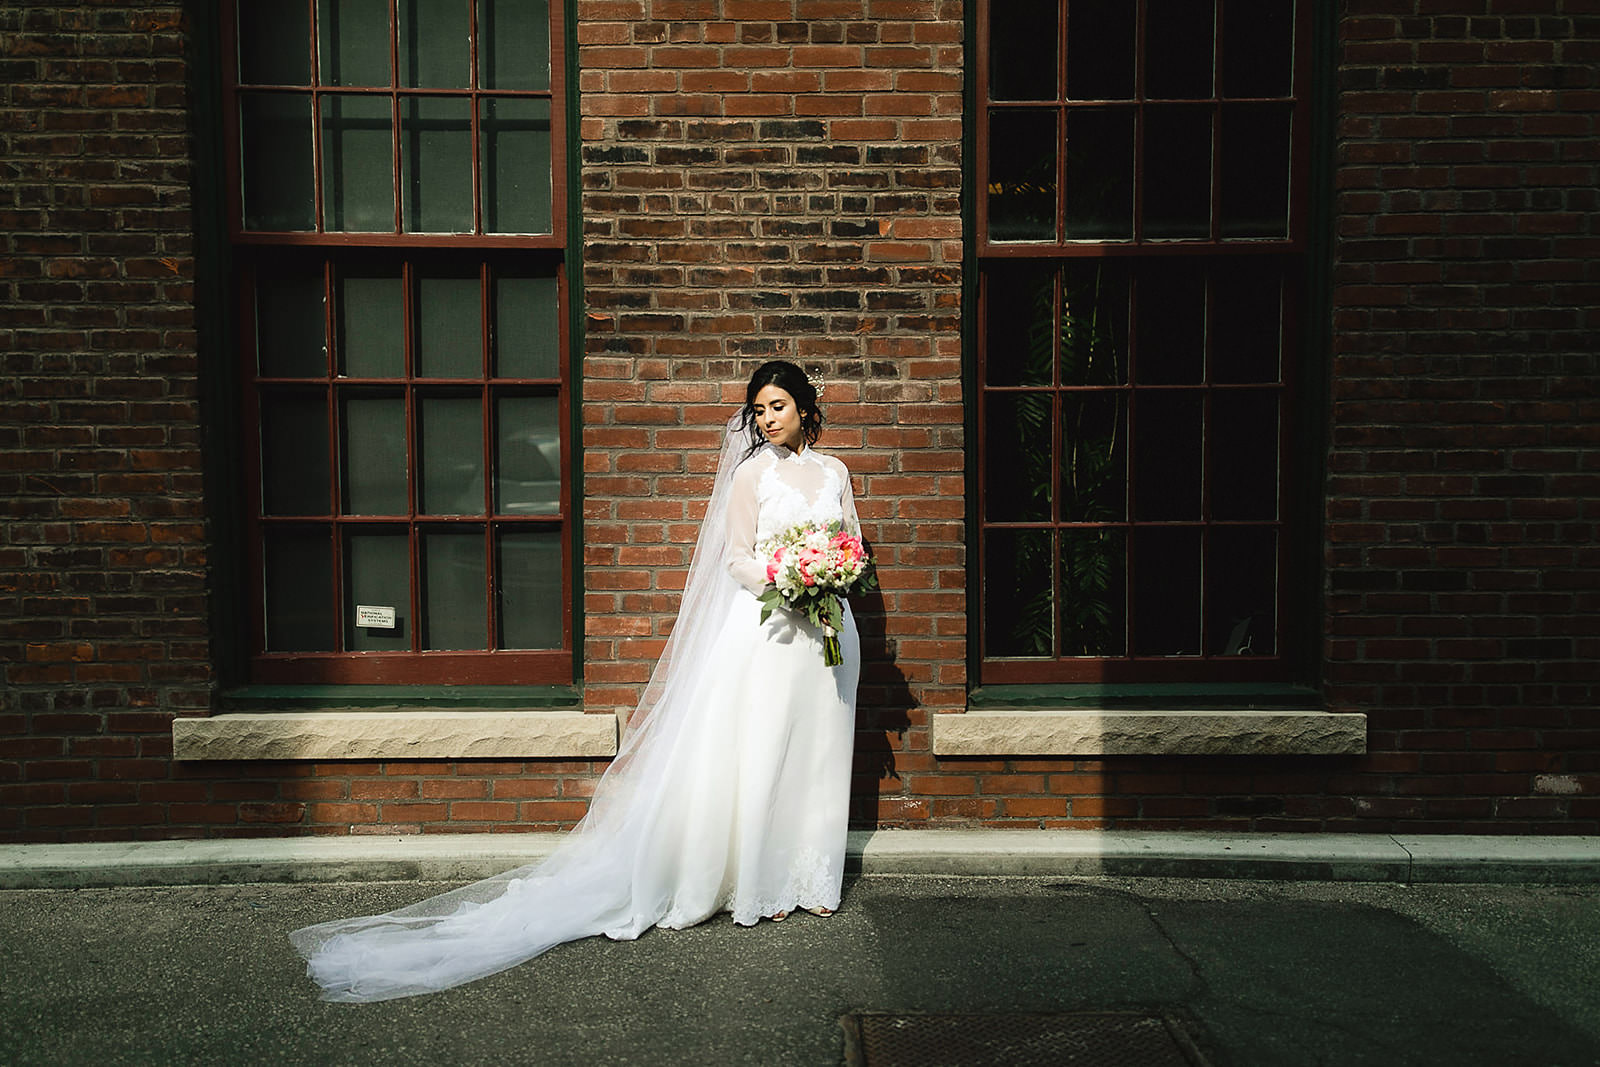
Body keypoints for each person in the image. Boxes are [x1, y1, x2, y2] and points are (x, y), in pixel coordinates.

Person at [289, 360, 863, 1002]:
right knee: (762, 755)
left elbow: (852, 543)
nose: (766, 419)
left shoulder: (835, 472)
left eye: (778, 406)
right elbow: (735, 557)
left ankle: (808, 878)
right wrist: (787, 584)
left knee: (817, 755)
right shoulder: (750, 475)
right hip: (769, 630)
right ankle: (760, 883)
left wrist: (833, 576)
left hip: (829, 634)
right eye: (758, 410)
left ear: (806, 408)